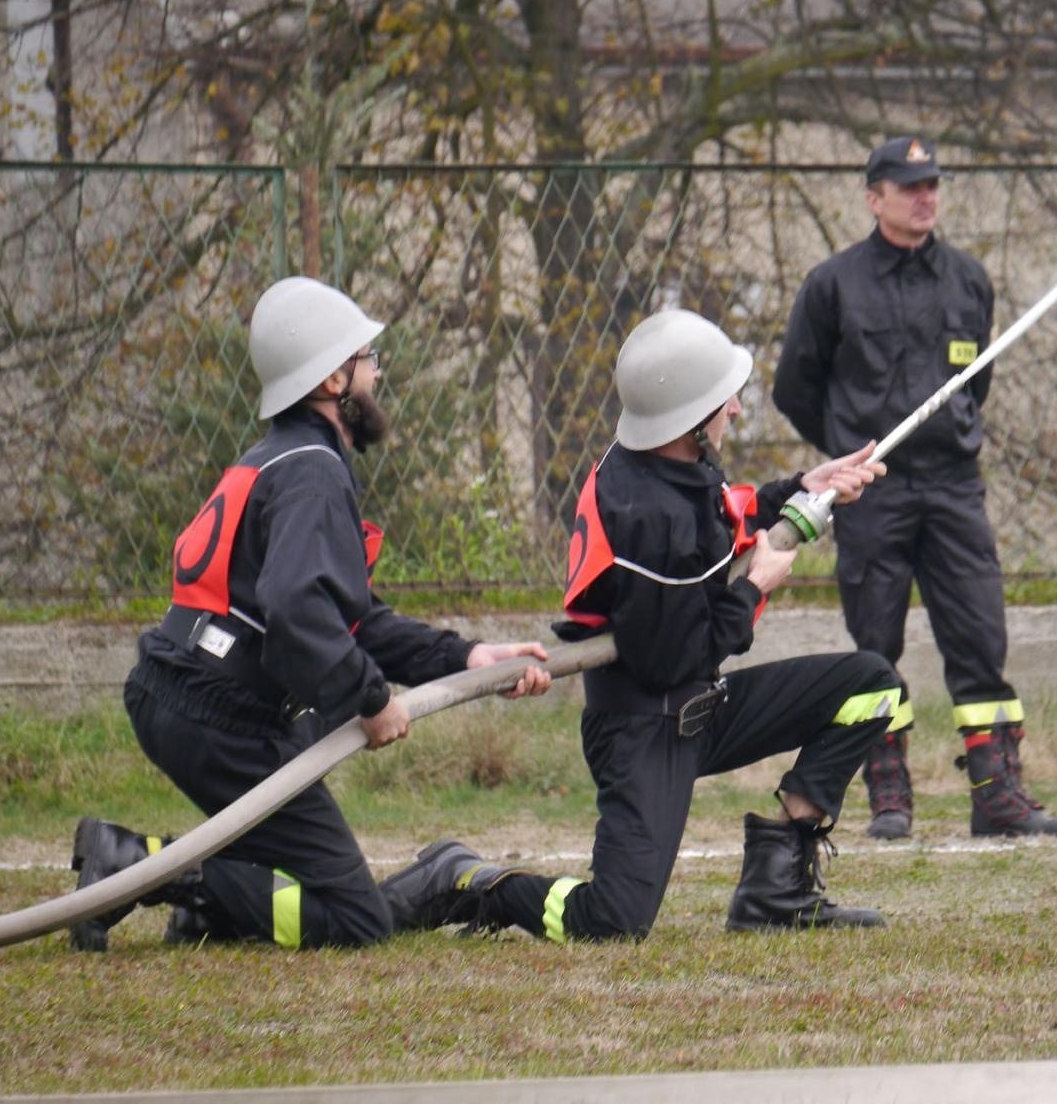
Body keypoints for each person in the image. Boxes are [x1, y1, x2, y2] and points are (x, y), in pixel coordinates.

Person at [380, 308, 905, 942]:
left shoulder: (665, 464)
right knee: (613, 921)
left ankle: (777, 890)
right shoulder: (649, 515)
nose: (736, 408)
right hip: (641, 727)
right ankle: (467, 880)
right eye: (725, 398)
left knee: (872, 686)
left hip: (698, 706)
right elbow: (673, 657)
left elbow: (718, 521)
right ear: (692, 416)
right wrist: (754, 589)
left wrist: (799, 489)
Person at [67, 275, 552, 952]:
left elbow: (352, 622)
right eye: (367, 360)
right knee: (354, 919)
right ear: (333, 379)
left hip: (182, 692)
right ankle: (136, 866)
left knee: (307, 869)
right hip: (222, 717)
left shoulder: (279, 459)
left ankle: (213, 909)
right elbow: (297, 613)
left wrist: (467, 656)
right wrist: (372, 698)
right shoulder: (314, 473)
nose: (377, 374)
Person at [773, 135, 1057, 841]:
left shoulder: (968, 280)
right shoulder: (833, 285)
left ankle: (997, 793)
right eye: (909, 187)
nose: (925, 197)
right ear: (873, 197)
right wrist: (847, 453)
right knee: (875, 643)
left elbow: (975, 385)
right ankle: (889, 794)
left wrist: (952, 436)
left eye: (932, 184)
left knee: (980, 636)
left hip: (953, 487)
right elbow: (794, 388)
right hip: (872, 491)